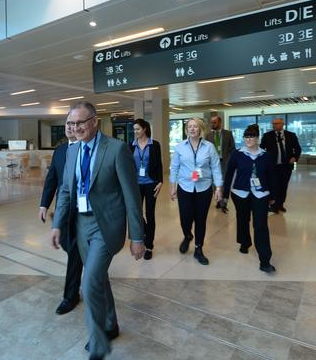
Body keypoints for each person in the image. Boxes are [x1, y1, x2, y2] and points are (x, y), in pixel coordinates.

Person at [50, 101, 145, 360]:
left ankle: (99, 342)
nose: (75, 128)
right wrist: (58, 223)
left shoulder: (116, 149)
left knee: (89, 281)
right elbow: (67, 191)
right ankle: (111, 324)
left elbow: (131, 196)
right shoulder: (71, 152)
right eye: (71, 123)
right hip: (80, 224)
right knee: (99, 278)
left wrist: (137, 236)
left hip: (106, 225)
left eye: (80, 122)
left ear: (94, 121)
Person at [39, 112, 83, 315]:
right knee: (69, 246)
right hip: (64, 210)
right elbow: (52, 179)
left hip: (84, 212)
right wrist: (44, 204)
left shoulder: (88, 149)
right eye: (67, 124)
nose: (69, 127)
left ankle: (70, 295)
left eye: (74, 124)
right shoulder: (60, 151)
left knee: (74, 251)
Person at [223, 124, 276, 273]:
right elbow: (229, 175)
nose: (248, 139)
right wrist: (225, 196)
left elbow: (272, 177)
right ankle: (245, 242)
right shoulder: (237, 154)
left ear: (257, 138)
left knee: (260, 225)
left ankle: (265, 260)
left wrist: (273, 197)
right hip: (240, 193)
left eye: (251, 136)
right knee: (242, 219)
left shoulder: (266, 156)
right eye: (246, 136)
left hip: (261, 194)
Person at [169, 118, 223, 266]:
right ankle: (187, 236)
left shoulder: (209, 147)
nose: (192, 129)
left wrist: (218, 188)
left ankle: (199, 249)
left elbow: (216, 168)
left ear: (201, 129)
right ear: (187, 130)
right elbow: (174, 168)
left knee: (201, 220)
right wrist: (173, 186)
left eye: (195, 126)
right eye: (190, 127)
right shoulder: (180, 147)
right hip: (185, 187)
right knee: (185, 219)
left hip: (204, 188)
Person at [129, 119, 163, 260]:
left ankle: (149, 245)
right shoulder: (131, 146)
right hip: (136, 183)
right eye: (134, 129)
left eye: (137, 129)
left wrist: (160, 181)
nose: (135, 132)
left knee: (150, 214)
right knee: (135, 212)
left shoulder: (154, 145)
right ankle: (145, 232)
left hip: (150, 183)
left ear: (144, 129)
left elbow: (159, 164)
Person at [260, 118, 301, 213]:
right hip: (272, 166)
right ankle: (274, 205)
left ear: (282, 124)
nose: (274, 125)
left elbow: (298, 149)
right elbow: (262, 149)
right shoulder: (267, 136)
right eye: (273, 123)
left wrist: (294, 158)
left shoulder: (291, 135)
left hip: (286, 166)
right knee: (273, 185)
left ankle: (280, 204)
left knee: (283, 185)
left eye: (277, 123)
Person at [205, 115, 235, 210]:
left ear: (220, 123)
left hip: (224, 162)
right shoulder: (208, 135)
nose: (212, 124)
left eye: (214, 122)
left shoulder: (228, 134)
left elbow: (232, 148)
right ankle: (218, 199)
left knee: (224, 182)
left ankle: (224, 202)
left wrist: (229, 160)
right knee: (215, 182)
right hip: (213, 163)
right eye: (211, 122)